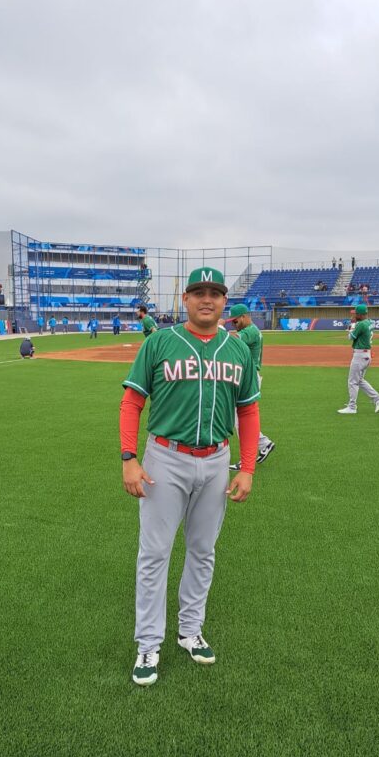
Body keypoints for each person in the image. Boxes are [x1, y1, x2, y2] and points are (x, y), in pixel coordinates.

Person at [120, 267, 260, 686]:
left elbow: (248, 412)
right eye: (198, 292)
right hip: (165, 458)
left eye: (215, 293)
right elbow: (132, 402)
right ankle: (148, 642)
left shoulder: (237, 350)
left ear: (223, 302)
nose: (207, 299)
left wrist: (248, 467)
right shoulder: (160, 342)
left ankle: (190, 630)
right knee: (154, 554)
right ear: (185, 299)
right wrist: (129, 457)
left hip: (217, 459)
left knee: (203, 550)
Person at [227, 303, 275, 469]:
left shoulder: (251, 331)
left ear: (244, 317)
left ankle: (249, 456)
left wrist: (217, 329)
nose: (234, 324)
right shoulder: (249, 330)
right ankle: (264, 443)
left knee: (240, 419)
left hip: (249, 376)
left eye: (235, 320)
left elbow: (232, 341)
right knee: (238, 418)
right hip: (247, 375)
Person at [337, 303, 379, 415]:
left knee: (352, 381)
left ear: (360, 314)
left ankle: (352, 407)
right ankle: (377, 398)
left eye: (356, 313)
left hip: (359, 355)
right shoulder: (369, 322)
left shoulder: (361, 325)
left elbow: (350, 337)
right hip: (366, 354)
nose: (354, 315)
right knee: (359, 380)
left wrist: (352, 324)